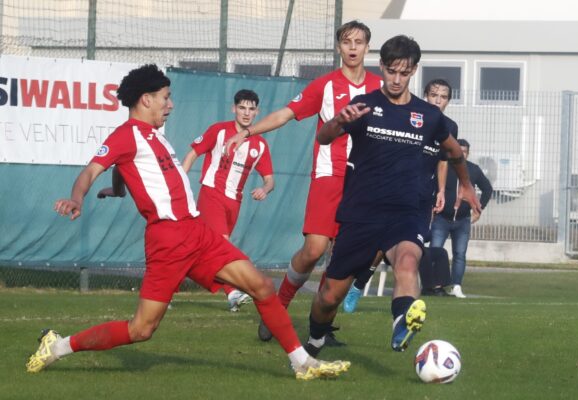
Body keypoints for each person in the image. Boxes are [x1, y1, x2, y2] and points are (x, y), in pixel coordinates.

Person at [25, 64, 350, 380]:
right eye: (165, 97)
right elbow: (91, 170)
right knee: (142, 329)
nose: (171, 103)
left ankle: (302, 362)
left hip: (197, 232)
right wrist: (77, 198)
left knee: (263, 287)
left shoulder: (154, 135)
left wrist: (119, 188)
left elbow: (121, 168)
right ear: (146, 99)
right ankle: (59, 345)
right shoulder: (125, 135)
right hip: (168, 240)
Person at [303, 35, 481, 357]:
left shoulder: (429, 115)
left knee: (408, 260)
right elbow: (324, 137)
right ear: (382, 67)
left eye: (404, 72)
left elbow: (454, 150)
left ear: (413, 71)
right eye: (391, 71)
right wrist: (338, 120)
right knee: (329, 295)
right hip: (361, 213)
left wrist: (466, 184)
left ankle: (401, 319)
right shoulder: (364, 106)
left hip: (407, 210)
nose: (397, 80)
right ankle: (315, 339)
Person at [225, 20, 381, 343]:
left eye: (359, 42)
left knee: (345, 259)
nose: (352, 47)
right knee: (313, 250)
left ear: (368, 47)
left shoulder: (380, 88)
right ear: (339, 47)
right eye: (347, 41)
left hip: (365, 181)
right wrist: (248, 131)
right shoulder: (324, 86)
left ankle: (320, 328)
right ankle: (277, 307)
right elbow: (285, 114)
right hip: (329, 176)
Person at [342, 78, 459, 311]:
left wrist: (442, 191)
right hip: (397, 189)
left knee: (407, 250)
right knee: (379, 246)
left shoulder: (449, 126)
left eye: (443, 96)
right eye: (433, 94)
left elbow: (444, 160)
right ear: (425, 95)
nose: (438, 100)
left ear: (448, 101)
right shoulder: (414, 115)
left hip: (423, 195)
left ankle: (403, 305)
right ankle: (358, 285)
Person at [181, 89, 274, 312]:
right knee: (224, 246)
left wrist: (264, 189)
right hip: (212, 194)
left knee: (204, 251)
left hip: (235, 203)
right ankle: (234, 292)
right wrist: (181, 184)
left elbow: (270, 180)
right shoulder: (219, 131)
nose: (246, 113)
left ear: (257, 112)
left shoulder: (260, 145)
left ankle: (168, 278)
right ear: (234, 108)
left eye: (251, 109)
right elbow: (193, 153)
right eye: (242, 107)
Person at [430, 138, 493, 298]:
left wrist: (479, 209)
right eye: (459, 150)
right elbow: (433, 187)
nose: (462, 154)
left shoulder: (473, 170)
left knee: (459, 254)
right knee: (435, 251)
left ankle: (456, 286)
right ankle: (434, 285)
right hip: (442, 218)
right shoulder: (444, 167)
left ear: (468, 153)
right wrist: (432, 207)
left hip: (463, 220)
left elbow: (487, 189)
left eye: (465, 151)